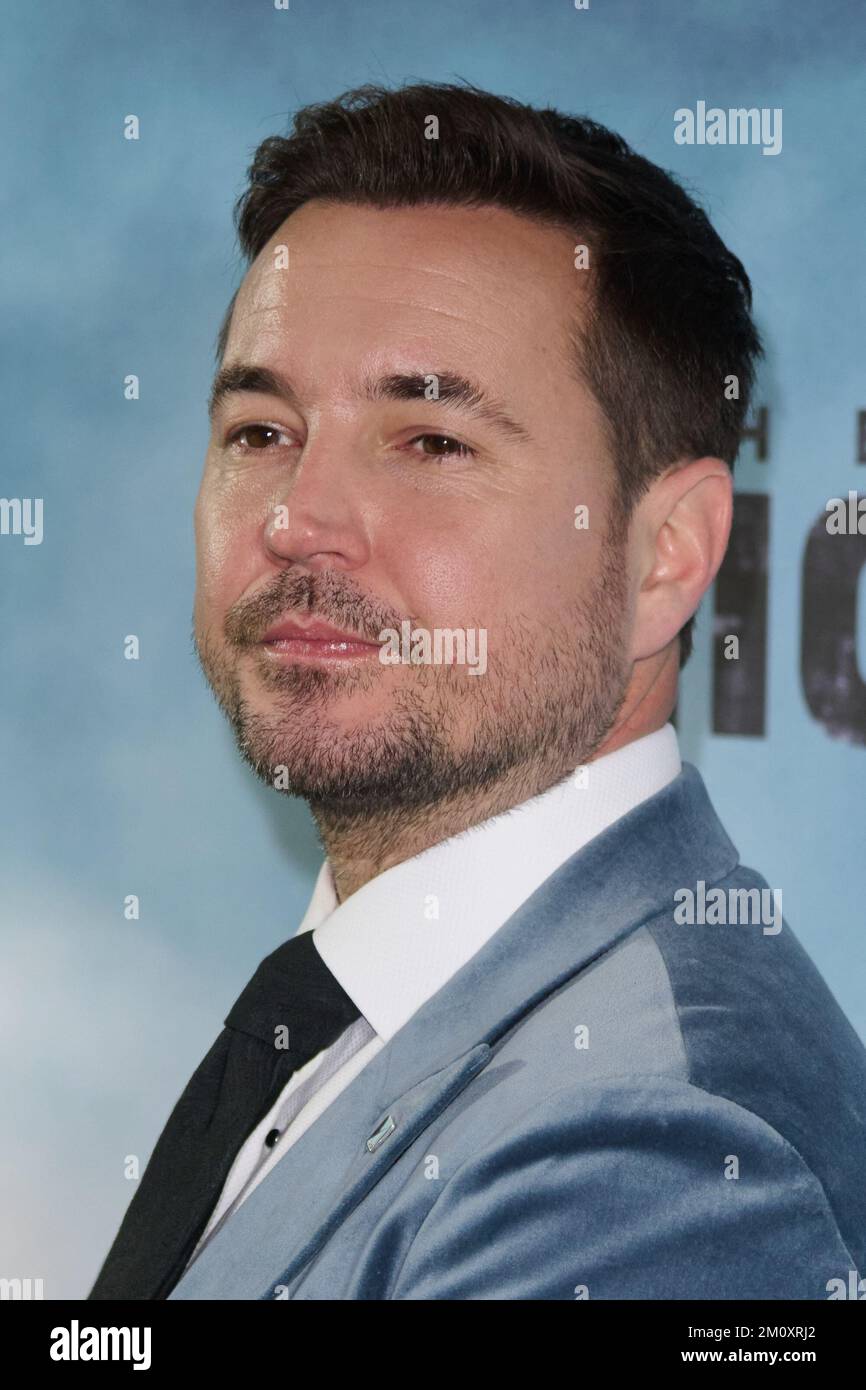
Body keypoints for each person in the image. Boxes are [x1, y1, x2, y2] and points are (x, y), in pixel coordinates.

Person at [89, 81, 866, 1301]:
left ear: (665, 555)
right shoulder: (365, 1005)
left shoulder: (657, 1157)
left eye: (432, 443)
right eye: (259, 430)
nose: (298, 521)